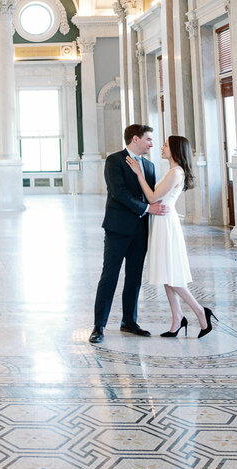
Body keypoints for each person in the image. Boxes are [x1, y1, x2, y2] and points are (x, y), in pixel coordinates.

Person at [127, 135, 216, 338]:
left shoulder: (176, 173)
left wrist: (139, 174)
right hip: (160, 221)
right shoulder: (172, 171)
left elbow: (152, 197)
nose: (161, 147)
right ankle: (177, 318)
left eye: (166, 145)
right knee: (167, 273)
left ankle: (201, 312)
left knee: (172, 275)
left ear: (175, 150)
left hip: (166, 223)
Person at [90, 124, 167, 344]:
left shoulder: (149, 166)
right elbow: (119, 193)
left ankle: (129, 322)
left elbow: (151, 195)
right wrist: (147, 208)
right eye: (148, 139)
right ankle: (99, 326)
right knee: (109, 276)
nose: (151, 144)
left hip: (141, 230)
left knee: (134, 277)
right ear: (135, 139)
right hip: (118, 228)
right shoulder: (114, 160)